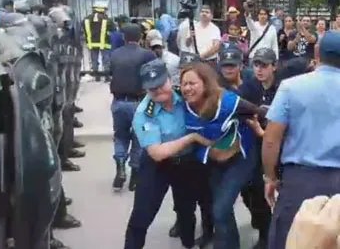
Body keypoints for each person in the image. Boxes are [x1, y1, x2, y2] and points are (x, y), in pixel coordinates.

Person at [124, 58, 213, 249]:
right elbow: (157, 153)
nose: (157, 91)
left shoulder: (187, 96)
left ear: (169, 80)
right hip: (157, 165)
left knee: (186, 212)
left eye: (160, 85)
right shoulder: (144, 113)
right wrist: (192, 138)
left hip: (187, 164)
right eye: (151, 88)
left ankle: (188, 245)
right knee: (142, 215)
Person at [262, 31, 340, 249]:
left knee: (290, 238)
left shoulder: (291, 87)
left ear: (317, 52)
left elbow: (271, 139)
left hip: (300, 182)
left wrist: (270, 177)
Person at [180, 62, 267, 249]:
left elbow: (261, 113)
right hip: (212, 161)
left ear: (205, 83)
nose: (187, 88)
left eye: (192, 83)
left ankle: (266, 237)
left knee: (221, 209)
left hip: (241, 158)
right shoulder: (182, 105)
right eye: (184, 84)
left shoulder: (227, 102)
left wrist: (265, 135)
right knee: (219, 209)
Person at [109, 23, 156, 191]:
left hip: (118, 102)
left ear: (123, 37)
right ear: (141, 37)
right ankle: (135, 174)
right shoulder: (147, 55)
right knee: (139, 139)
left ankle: (120, 166)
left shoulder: (114, 54)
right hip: (139, 102)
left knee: (120, 136)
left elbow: (111, 73)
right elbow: (155, 77)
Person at [83, 0, 113, 82]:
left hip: (92, 43)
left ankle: (97, 77)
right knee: (106, 60)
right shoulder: (107, 20)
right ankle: (107, 77)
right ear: (103, 9)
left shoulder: (86, 19)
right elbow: (112, 29)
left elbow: (84, 31)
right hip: (105, 43)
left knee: (94, 59)